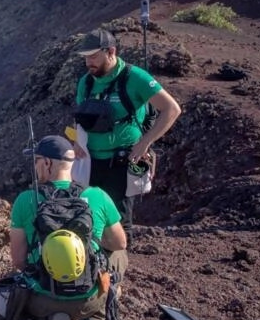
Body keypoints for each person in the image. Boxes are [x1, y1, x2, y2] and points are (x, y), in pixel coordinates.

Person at [4, 135, 128, 320]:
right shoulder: (98, 195)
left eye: (36, 161)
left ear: (47, 163)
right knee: (119, 253)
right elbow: (120, 243)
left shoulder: (25, 200)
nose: (35, 167)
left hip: (42, 299)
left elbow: (18, 260)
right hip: (88, 298)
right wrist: (93, 245)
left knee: (33, 283)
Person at [73, 28, 182, 238]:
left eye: (94, 56)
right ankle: (95, 266)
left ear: (111, 51)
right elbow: (80, 115)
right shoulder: (85, 82)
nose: (89, 63)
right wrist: (78, 141)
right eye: (85, 58)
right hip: (90, 163)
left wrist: (145, 143)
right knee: (89, 217)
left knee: (119, 223)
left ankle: (117, 268)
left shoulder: (134, 77)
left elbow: (172, 109)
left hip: (122, 162)